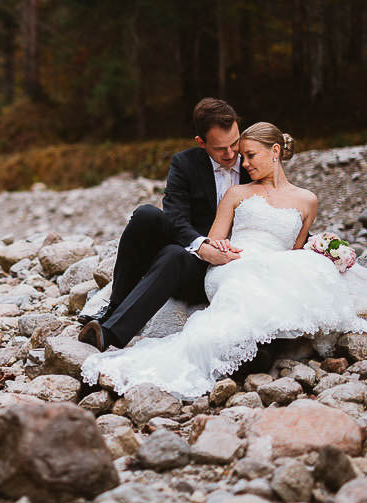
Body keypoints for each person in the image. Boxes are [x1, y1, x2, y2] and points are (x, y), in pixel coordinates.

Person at [80, 122, 367, 399]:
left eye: (250, 156)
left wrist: (327, 251)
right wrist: (218, 251)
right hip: (233, 260)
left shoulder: (307, 200)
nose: (244, 164)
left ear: (275, 151)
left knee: (305, 271)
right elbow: (218, 236)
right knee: (238, 280)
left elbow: (295, 250)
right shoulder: (238, 192)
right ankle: (212, 351)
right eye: (241, 157)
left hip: (274, 263)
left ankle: (261, 349)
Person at [78, 97, 251, 351]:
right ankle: (116, 305)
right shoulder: (185, 163)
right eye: (220, 148)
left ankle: (109, 333)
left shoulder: (254, 163)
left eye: (235, 143)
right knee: (147, 215)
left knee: (172, 254)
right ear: (201, 143)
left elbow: (284, 207)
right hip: (194, 252)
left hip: (228, 264)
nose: (230, 153)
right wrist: (202, 246)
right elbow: (175, 217)